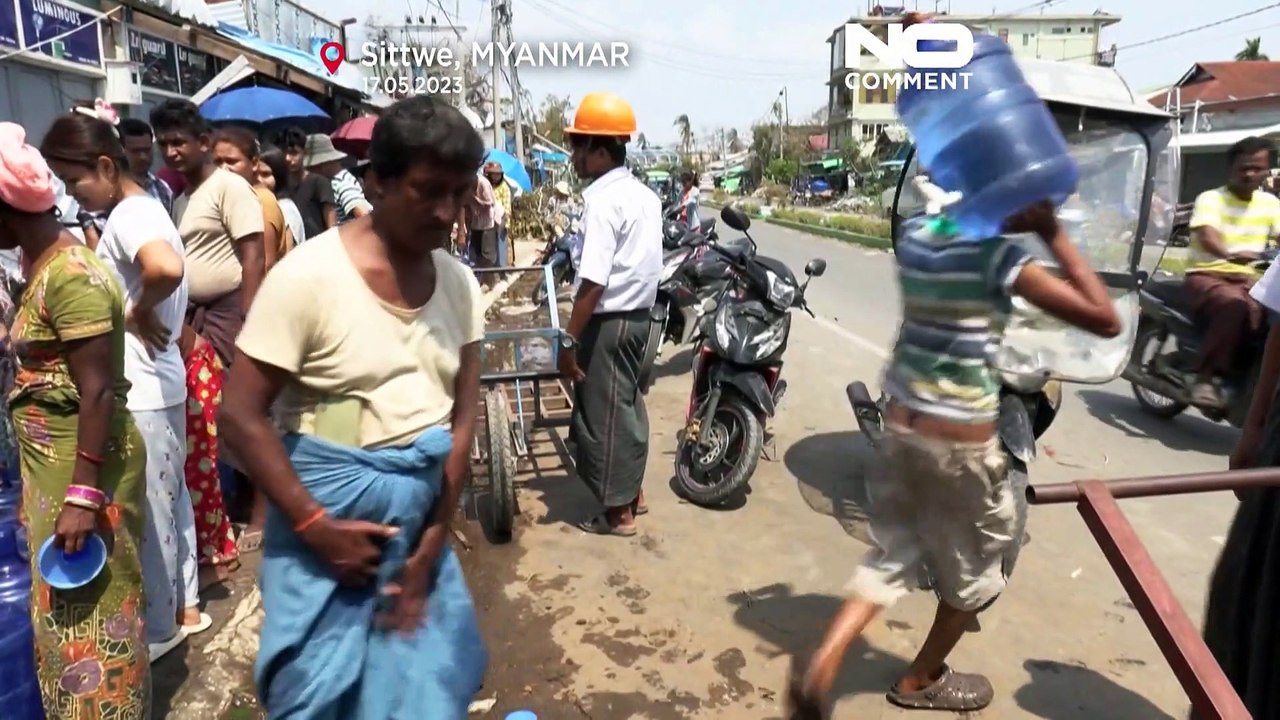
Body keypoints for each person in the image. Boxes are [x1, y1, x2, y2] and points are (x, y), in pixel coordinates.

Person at [788, 194, 1122, 714]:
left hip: (906, 425)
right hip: (965, 440)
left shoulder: (921, 234)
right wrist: (1053, 232)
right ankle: (921, 678)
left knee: (896, 551)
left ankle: (824, 657)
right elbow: (1104, 319)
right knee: (987, 566)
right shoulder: (1001, 259)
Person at [220, 95, 486, 717]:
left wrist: (435, 536)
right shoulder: (309, 279)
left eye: (460, 192)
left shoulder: (458, 285)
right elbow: (238, 416)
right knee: (315, 698)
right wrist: (318, 529)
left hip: (419, 534)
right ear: (379, 181)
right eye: (428, 191)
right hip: (322, 542)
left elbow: (462, 418)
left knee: (423, 694)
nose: (447, 212)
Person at [41, 111, 210, 659]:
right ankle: (185, 607)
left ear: (107, 166)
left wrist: (134, 311)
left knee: (149, 509)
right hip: (163, 383)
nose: (74, 194)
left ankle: (161, 628)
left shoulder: (128, 216)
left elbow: (164, 268)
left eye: (75, 181)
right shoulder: (149, 208)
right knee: (171, 498)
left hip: (143, 384)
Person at [0, 121, 150, 718]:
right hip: (54, 473)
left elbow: (97, 392)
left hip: (85, 471)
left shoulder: (73, 277)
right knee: (64, 619)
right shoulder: (39, 267)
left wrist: (83, 496)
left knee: (94, 617)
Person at [151, 99, 264, 562]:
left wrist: (254, 324)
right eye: (165, 144)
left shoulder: (228, 188)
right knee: (209, 416)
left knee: (245, 413)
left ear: (203, 143)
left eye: (179, 142)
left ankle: (262, 511)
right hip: (193, 316)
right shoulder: (180, 196)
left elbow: (253, 256)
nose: (171, 152)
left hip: (230, 314)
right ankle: (231, 503)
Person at [559, 92, 661, 537]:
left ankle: (618, 514)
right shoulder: (644, 195)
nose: (574, 157)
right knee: (626, 408)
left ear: (601, 150)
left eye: (579, 147)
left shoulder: (602, 201)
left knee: (603, 415)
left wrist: (567, 341)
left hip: (611, 320)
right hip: (640, 318)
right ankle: (632, 493)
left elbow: (594, 281)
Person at [1184, 136, 1280, 409]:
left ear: (1266, 170)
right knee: (1236, 306)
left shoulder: (1270, 204)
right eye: (1244, 168)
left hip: (1251, 278)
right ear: (1231, 169)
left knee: (1268, 313)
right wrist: (1228, 253)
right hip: (1208, 275)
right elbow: (1207, 235)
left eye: (1257, 168)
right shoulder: (1211, 199)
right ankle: (1205, 377)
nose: (1250, 174)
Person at [212, 126, 289, 271]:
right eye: (218, 162)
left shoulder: (261, 200)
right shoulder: (229, 197)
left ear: (254, 164)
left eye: (231, 161)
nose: (223, 168)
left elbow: (265, 262)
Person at [276, 126, 337, 239]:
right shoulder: (279, 185)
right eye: (284, 153)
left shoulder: (319, 183)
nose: (288, 158)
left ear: (305, 153)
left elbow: (331, 225)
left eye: (294, 153)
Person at [304, 134, 371, 224]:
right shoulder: (338, 179)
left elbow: (362, 213)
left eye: (311, 168)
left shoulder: (341, 183)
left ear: (321, 166)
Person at [118, 118, 175, 215]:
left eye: (147, 150)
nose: (143, 157)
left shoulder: (162, 189)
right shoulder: (109, 190)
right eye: (135, 151)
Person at [259, 144, 306, 250]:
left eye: (265, 174)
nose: (259, 180)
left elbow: (289, 251)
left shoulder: (284, 208)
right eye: (255, 174)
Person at [458, 172, 502, 270]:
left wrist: (475, 200)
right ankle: (480, 275)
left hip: (489, 220)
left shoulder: (483, 184)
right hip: (476, 221)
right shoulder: (465, 186)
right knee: (475, 251)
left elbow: (489, 204)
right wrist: (464, 229)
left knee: (487, 254)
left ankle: (488, 276)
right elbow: (465, 206)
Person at [484, 161, 514, 266]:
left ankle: (502, 270)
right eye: (493, 174)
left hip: (502, 221)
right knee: (490, 248)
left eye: (498, 174)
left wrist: (503, 221)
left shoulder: (504, 188)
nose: (495, 176)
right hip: (488, 221)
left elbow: (507, 208)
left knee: (501, 246)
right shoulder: (487, 186)